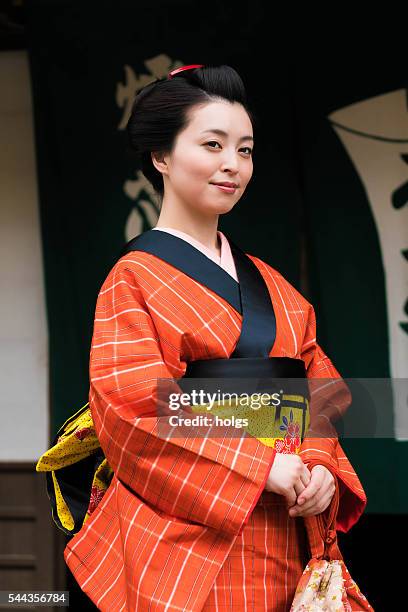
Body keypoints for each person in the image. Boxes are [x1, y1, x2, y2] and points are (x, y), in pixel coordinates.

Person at [63, 64, 368, 611]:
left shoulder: (276, 288)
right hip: (187, 541)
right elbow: (130, 406)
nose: (233, 165)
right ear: (160, 156)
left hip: (283, 529)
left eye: (246, 150)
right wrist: (259, 466)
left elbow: (319, 390)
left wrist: (320, 468)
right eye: (212, 144)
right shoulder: (134, 279)